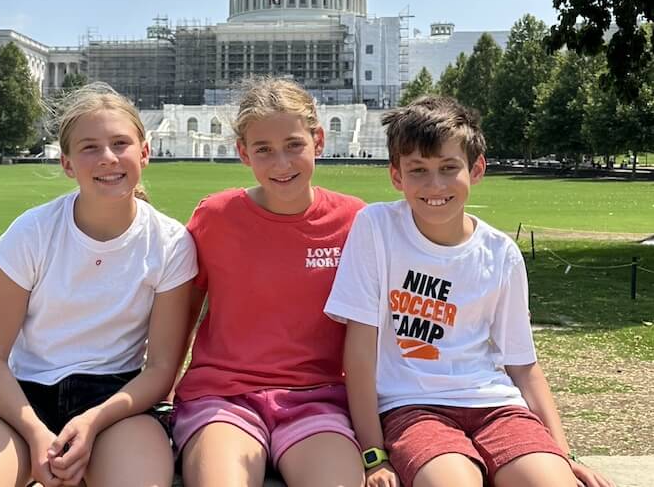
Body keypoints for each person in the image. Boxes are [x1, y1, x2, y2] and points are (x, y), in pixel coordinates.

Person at [325, 96, 614, 487]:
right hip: (413, 406)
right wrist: (374, 454)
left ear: (475, 169)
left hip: (495, 405)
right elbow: (360, 350)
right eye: (418, 170)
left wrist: (563, 455)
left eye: (448, 168)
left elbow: (523, 365)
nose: (435, 185)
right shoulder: (376, 228)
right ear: (397, 176)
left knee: (550, 481)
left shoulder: (500, 253)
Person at [0, 83, 197, 487]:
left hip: (117, 406)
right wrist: (36, 433)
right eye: (89, 147)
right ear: (68, 163)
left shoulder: (170, 242)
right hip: (23, 401)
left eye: (120, 143)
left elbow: (162, 368)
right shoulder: (33, 231)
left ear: (145, 152)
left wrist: (93, 421)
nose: (108, 157)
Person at [173, 78, 366, 487]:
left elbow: (376, 323)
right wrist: (163, 391)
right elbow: (183, 315)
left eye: (294, 144)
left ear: (319, 139)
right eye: (264, 149)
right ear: (244, 152)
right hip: (223, 397)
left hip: (318, 400)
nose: (281, 163)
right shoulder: (216, 217)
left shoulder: (355, 221)